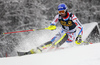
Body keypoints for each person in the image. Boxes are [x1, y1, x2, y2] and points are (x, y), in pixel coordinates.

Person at [18, 3, 83, 56]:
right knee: (53, 41)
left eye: (62, 11)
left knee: (65, 37)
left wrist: (79, 36)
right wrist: (52, 26)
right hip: (63, 31)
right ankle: (35, 50)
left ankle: (54, 47)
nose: (61, 13)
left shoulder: (72, 17)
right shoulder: (58, 16)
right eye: (59, 12)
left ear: (66, 11)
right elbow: (53, 23)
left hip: (71, 33)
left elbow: (80, 27)